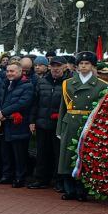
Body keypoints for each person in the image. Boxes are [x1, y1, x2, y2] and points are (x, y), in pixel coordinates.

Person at [56, 51, 107, 201]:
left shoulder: (101, 85)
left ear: (93, 66)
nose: (83, 66)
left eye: (87, 64)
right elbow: (63, 108)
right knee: (67, 157)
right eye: (81, 64)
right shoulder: (67, 83)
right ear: (77, 66)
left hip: (88, 123)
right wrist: (59, 128)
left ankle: (82, 191)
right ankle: (69, 189)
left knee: (85, 156)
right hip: (70, 122)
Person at [0, 61, 36, 187]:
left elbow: (23, 103)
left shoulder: (28, 86)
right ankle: (6, 175)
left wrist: (4, 112)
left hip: (18, 125)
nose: (9, 73)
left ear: (20, 71)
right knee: (5, 152)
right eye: (7, 71)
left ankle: (19, 178)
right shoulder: (4, 83)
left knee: (19, 154)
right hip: (4, 123)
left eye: (12, 71)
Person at [30, 56, 67, 189]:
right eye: (53, 66)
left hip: (58, 125)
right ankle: (41, 179)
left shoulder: (68, 83)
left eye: (58, 66)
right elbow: (35, 102)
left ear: (65, 67)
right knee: (42, 153)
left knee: (58, 154)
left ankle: (58, 181)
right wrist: (32, 121)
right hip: (42, 123)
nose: (55, 69)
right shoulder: (42, 82)